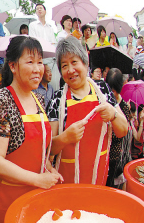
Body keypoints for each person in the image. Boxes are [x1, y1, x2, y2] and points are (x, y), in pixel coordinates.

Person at [0, 36, 61, 223]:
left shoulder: (38, 100)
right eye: (30, 62)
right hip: (6, 200)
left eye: (39, 62)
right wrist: (37, 179)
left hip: (34, 197)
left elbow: (39, 149)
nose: (37, 69)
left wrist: (49, 168)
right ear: (13, 66)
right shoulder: (2, 100)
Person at [47, 36, 127, 186]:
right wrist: (65, 137)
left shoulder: (102, 90)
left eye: (74, 62)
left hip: (98, 179)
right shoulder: (57, 100)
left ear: (85, 63)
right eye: (64, 66)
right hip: (66, 184)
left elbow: (123, 131)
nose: (70, 70)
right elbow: (47, 148)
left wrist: (113, 114)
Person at [105, 68, 132, 189]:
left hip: (116, 158)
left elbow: (122, 133)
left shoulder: (124, 107)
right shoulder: (104, 101)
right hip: (104, 154)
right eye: (110, 90)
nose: (112, 93)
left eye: (115, 91)